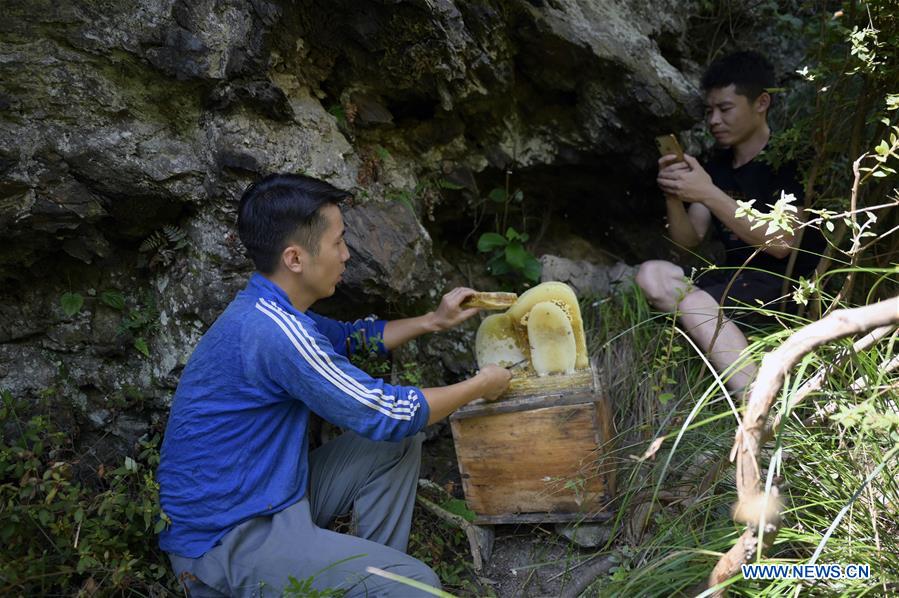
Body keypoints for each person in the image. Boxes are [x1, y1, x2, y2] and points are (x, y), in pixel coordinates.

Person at [156, 173, 512, 597]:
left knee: (397, 446)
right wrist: (482, 384)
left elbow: (349, 338)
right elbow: (387, 413)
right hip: (227, 539)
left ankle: (363, 576)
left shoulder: (267, 308)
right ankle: (379, 582)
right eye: (338, 242)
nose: (346, 255)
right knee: (419, 587)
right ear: (295, 259)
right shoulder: (275, 334)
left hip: (271, 494)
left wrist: (433, 321)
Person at [636, 51, 824, 397]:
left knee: (693, 303)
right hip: (734, 281)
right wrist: (675, 194)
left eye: (725, 109)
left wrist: (707, 191)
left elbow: (782, 243)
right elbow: (688, 241)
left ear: (761, 103)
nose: (714, 120)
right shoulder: (717, 165)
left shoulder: (791, 159)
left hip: (786, 286)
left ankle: (758, 403)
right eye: (709, 111)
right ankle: (713, 326)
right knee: (652, 273)